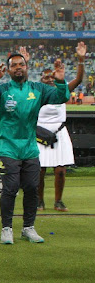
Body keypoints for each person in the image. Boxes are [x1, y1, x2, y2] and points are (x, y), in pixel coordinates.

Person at [0, 51, 74, 244]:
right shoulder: (3, 89)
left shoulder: (37, 89)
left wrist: (61, 81)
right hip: (8, 147)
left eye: (21, 64)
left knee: (32, 187)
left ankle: (28, 228)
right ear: (8, 70)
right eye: (13, 65)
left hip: (30, 147)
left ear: (26, 67)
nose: (18, 67)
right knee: (11, 188)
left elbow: (61, 97)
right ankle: (6, 228)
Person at [37, 43, 86, 212]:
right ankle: (39, 201)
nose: (49, 79)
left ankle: (58, 201)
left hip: (59, 132)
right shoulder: (36, 94)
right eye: (46, 78)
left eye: (51, 78)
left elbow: (79, 80)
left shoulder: (62, 91)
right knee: (40, 170)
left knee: (60, 170)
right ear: (41, 81)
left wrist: (80, 59)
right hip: (40, 133)